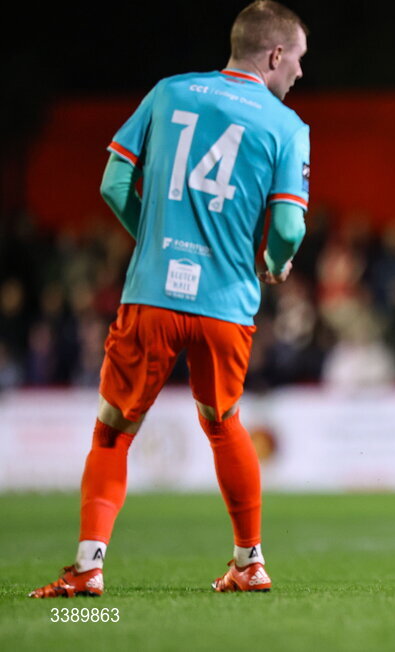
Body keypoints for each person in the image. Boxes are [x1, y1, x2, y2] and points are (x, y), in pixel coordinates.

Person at [29, 0, 309, 598]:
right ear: (276, 55)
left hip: (153, 293)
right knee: (224, 421)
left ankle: (88, 567)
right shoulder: (287, 127)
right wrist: (274, 264)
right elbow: (288, 227)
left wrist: (157, 239)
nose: (301, 75)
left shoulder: (167, 92)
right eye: (300, 61)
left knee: (113, 431)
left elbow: (112, 182)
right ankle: (249, 561)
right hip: (227, 302)